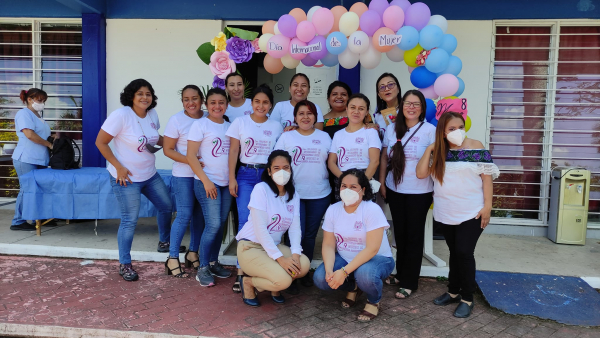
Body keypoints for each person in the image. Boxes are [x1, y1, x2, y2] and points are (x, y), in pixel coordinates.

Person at [416, 112, 499, 318]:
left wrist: (488, 206)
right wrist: (429, 149)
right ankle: (453, 291)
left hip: (472, 211)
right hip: (446, 211)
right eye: (451, 129)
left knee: (464, 252)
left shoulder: (476, 145)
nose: (457, 132)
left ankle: (467, 298)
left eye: (460, 127)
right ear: (442, 132)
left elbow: (487, 178)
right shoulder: (439, 152)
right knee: (454, 252)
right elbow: (420, 173)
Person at [96, 79, 176, 281]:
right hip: (126, 177)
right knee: (130, 220)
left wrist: (179, 146)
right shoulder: (121, 115)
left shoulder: (152, 114)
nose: (144, 97)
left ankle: (164, 242)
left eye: (148, 94)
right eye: (140, 93)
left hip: (149, 174)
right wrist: (119, 167)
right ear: (131, 96)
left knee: (166, 206)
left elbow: (155, 137)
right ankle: (125, 264)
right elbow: (101, 142)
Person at [313, 169, 394, 322]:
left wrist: (343, 272)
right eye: (344, 186)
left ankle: (373, 300)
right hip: (345, 258)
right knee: (321, 278)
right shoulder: (333, 209)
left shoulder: (371, 209)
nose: (347, 190)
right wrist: (330, 270)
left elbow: (372, 249)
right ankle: (353, 288)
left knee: (365, 275)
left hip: (377, 259)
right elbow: (329, 244)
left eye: (353, 187)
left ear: (363, 190)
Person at [226, 84, 283, 293]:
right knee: (245, 222)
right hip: (246, 175)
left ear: (270, 105)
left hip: (268, 177)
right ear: (251, 103)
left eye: (265, 102)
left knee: (268, 222)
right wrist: (232, 178)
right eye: (257, 101)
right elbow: (233, 151)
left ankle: (263, 267)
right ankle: (242, 271)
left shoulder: (276, 126)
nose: (261, 105)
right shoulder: (240, 122)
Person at [379, 90, 436, 299]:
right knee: (400, 234)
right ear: (402, 107)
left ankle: (410, 280)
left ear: (422, 108)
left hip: (420, 192)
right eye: (407, 103)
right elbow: (385, 158)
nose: (411, 107)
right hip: (395, 189)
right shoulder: (392, 128)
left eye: (416, 104)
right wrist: (383, 182)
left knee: (414, 235)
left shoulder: (430, 130)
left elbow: (435, 161)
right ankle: (400, 273)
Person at [236, 150, 310, 306]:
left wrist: (295, 255)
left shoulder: (293, 194)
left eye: (286, 167)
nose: (282, 171)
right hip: (251, 247)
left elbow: (295, 228)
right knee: (284, 281)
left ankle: (274, 280)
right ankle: (249, 282)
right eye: (276, 168)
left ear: (290, 169)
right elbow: (260, 229)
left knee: (303, 265)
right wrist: (281, 259)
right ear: (269, 171)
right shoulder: (261, 189)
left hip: (273, 247)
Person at [275, 100, 332, 288]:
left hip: (319, 194)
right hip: (293, 194)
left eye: (309, 113)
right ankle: (290, 271)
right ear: (295, 117)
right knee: (293, 235)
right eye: (301, 113)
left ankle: (303, 271)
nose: (305, 117)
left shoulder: (325, 137)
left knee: (309, 235)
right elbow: (277, 164)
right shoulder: (286, 138)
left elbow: (332, 163)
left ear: (316, 116)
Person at [187, 88, 233, 286]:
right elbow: (191, 156)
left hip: (225, 184)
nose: (217, 106)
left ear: (226, 105)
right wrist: (206, 181)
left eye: (221, 102)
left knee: (220, 226)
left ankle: (214, 262)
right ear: (207, 105)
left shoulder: (230, 126)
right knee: (213, 224)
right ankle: (203, 267)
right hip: (207, 183)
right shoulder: (200, 125)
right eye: (213, 102)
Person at [162, 85, 205, 278]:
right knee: (184, 214)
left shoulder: (208, 118)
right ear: (182, 102)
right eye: (186, 99)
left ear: (201, 100)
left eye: (194, 98)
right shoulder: (176, 120)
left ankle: (193, 253)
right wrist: (191, 160)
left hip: (203, 175)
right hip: (183, 175)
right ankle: (172, 258)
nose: (190, 103)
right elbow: (168, 149)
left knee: (199, 215)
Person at [10, 88, 53, 231]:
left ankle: (40, 218)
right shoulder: (24, 114)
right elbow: (29, 134)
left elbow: (43, 134)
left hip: (40, 159)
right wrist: (49, 145)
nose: (42, 103)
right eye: (40, 100)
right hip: (26, 158)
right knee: (27, 189)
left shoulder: (38, 116)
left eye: (44, 101)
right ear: (30, 99)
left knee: (40, 189)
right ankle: (18, 221)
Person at [327, 94, 381, 201]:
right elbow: (331, 162)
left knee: (365, 216)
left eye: (361, 109)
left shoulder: (371, 132)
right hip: (342, 179)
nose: (356, 111)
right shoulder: (338, 135)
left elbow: (375, 161)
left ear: (366, 112)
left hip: (365, 178)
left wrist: (360, 184)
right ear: (346, 109)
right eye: (353, 107)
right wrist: (345, 181)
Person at [373, 73, 402, 140]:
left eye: (390, 85)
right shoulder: (378, 110)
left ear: (398, 89)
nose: (386, 89)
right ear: (379, 95)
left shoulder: (408, 107)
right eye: (382, 87)